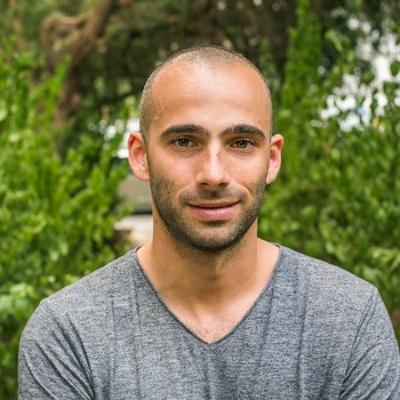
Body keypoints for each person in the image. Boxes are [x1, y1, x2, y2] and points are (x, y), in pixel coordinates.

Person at [19, 46, 400, 399]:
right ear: (140, 155)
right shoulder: (69, 334)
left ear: (272, 159)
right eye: (185, 141)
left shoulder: (348, 319)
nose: (214, 175)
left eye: (241, 143)